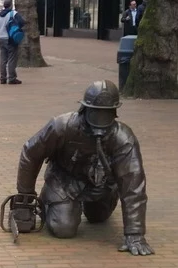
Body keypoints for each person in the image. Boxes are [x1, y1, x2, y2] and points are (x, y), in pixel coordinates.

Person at [15, 80, 153, 255]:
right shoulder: (62, 126)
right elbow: (30, 152)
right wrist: (25, 197)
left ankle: (97, 202)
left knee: (98, 218)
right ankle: (50, 200)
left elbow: (134, 184)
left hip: (101, 185)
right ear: (85, 109)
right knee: (63, 228)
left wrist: (135, 233)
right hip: (64, 183)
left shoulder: (123, 138)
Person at [0, 0, 24, 85]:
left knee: (3, 59)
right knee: (12, 58)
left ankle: (2, 78)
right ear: (11, 5)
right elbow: (22, 22)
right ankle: (12, 78)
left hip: (1, 39)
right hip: (10, 39)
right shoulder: (13, 13)